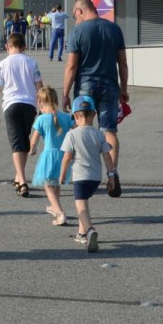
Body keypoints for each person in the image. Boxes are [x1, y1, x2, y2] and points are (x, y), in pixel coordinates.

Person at [62, 0, 129, 198]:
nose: (76, 19)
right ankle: (112, 173)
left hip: (85, 88)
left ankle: (82, 175)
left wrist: (65, 93)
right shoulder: (114, 29)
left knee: (81, 131)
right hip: (110, 86)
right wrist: (123, 89)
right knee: (109, 132)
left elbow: (72, 66)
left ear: (81, 11)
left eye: (75, 14)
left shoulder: (78, 32)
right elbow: (122, 63)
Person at [0, 32, 43, 197]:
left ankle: (22, 181)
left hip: (11, 105)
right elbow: (40, 87)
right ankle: (18, 177)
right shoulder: (32, 62)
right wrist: (43, 106)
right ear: (24, 46)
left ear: (8, 46)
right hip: (29, 106)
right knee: (24, 142)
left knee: (16, 143)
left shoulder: (2, 64)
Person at [60, 96, 111, 253]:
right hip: (95, 178)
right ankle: (81, 233)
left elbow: (67, 157)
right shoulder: (99, 134)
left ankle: (90, 230)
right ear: (94, 114)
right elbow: (107, 156)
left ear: (75, 116)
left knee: (81, 208)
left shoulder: (72, 134)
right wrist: (112, 175)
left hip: (80, 178)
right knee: (84, 204)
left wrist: (62, 175)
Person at [30, 86, 74, 225]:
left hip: (49, 156)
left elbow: (34, 141)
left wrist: (32, 150)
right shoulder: (66, 117)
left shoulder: (42, 119)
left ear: (40, 102)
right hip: (63, 155)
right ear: (55, 100)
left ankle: (60, 214)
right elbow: (76, 128)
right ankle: (55, 208)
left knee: (48, 186)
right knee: (56, 184)